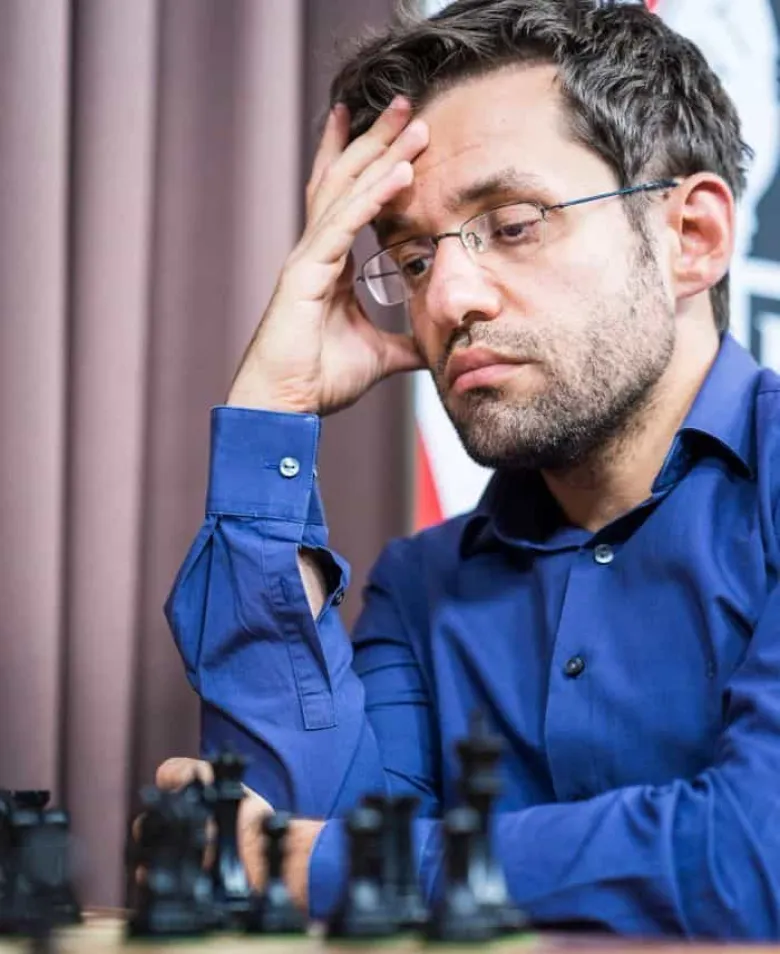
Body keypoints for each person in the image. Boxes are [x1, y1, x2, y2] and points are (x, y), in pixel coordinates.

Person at [154, 0, 780, 938]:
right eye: (411, 259)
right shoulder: (423, 586)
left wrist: (314, 862)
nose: (446, 298)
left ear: (691, 236)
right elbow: (284, 880)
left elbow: (757, 859)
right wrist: (271, 411)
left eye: (514, 224)